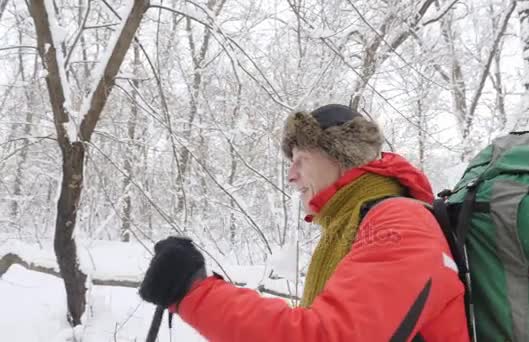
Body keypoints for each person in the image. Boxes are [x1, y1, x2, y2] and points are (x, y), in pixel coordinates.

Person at [139, 104, 469, 341]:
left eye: (301, 160)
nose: (290, 176)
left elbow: (326, 335)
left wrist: (195, 293)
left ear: (340, 156)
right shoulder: (355, 225)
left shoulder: (401, 222)